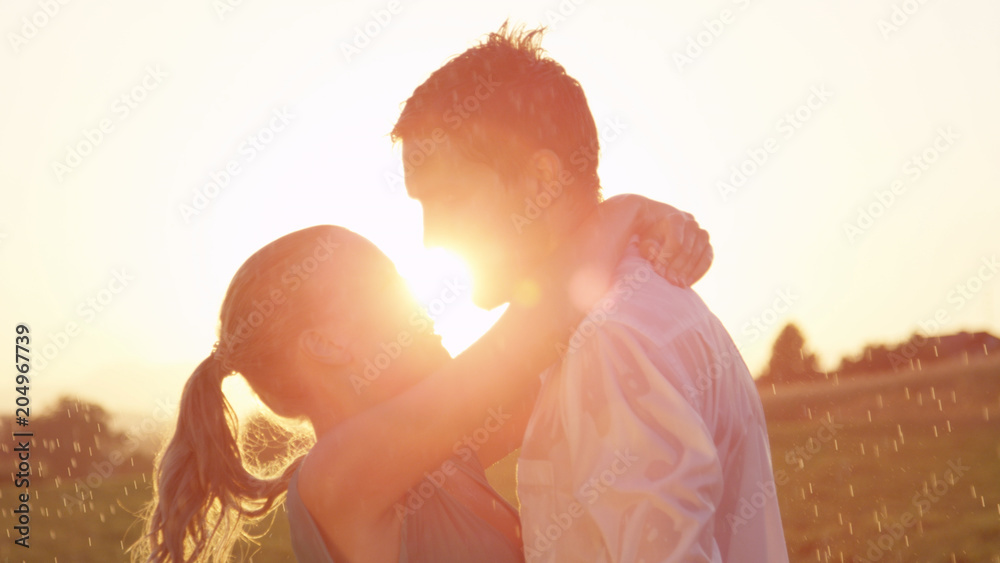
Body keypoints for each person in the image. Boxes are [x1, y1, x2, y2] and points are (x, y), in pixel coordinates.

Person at [131, 194, 712, 563]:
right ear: (327, 344)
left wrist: (647, 238)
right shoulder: (334, 479)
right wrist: (629, 209)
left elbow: (558, 355)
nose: (420, 305)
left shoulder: (440, 455)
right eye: (384, 288)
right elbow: (535, 327)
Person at [391, 23, 789, 562]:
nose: (429, 237)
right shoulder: (607, 322)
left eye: (450, 199)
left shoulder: (613, 340)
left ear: (540, 181)